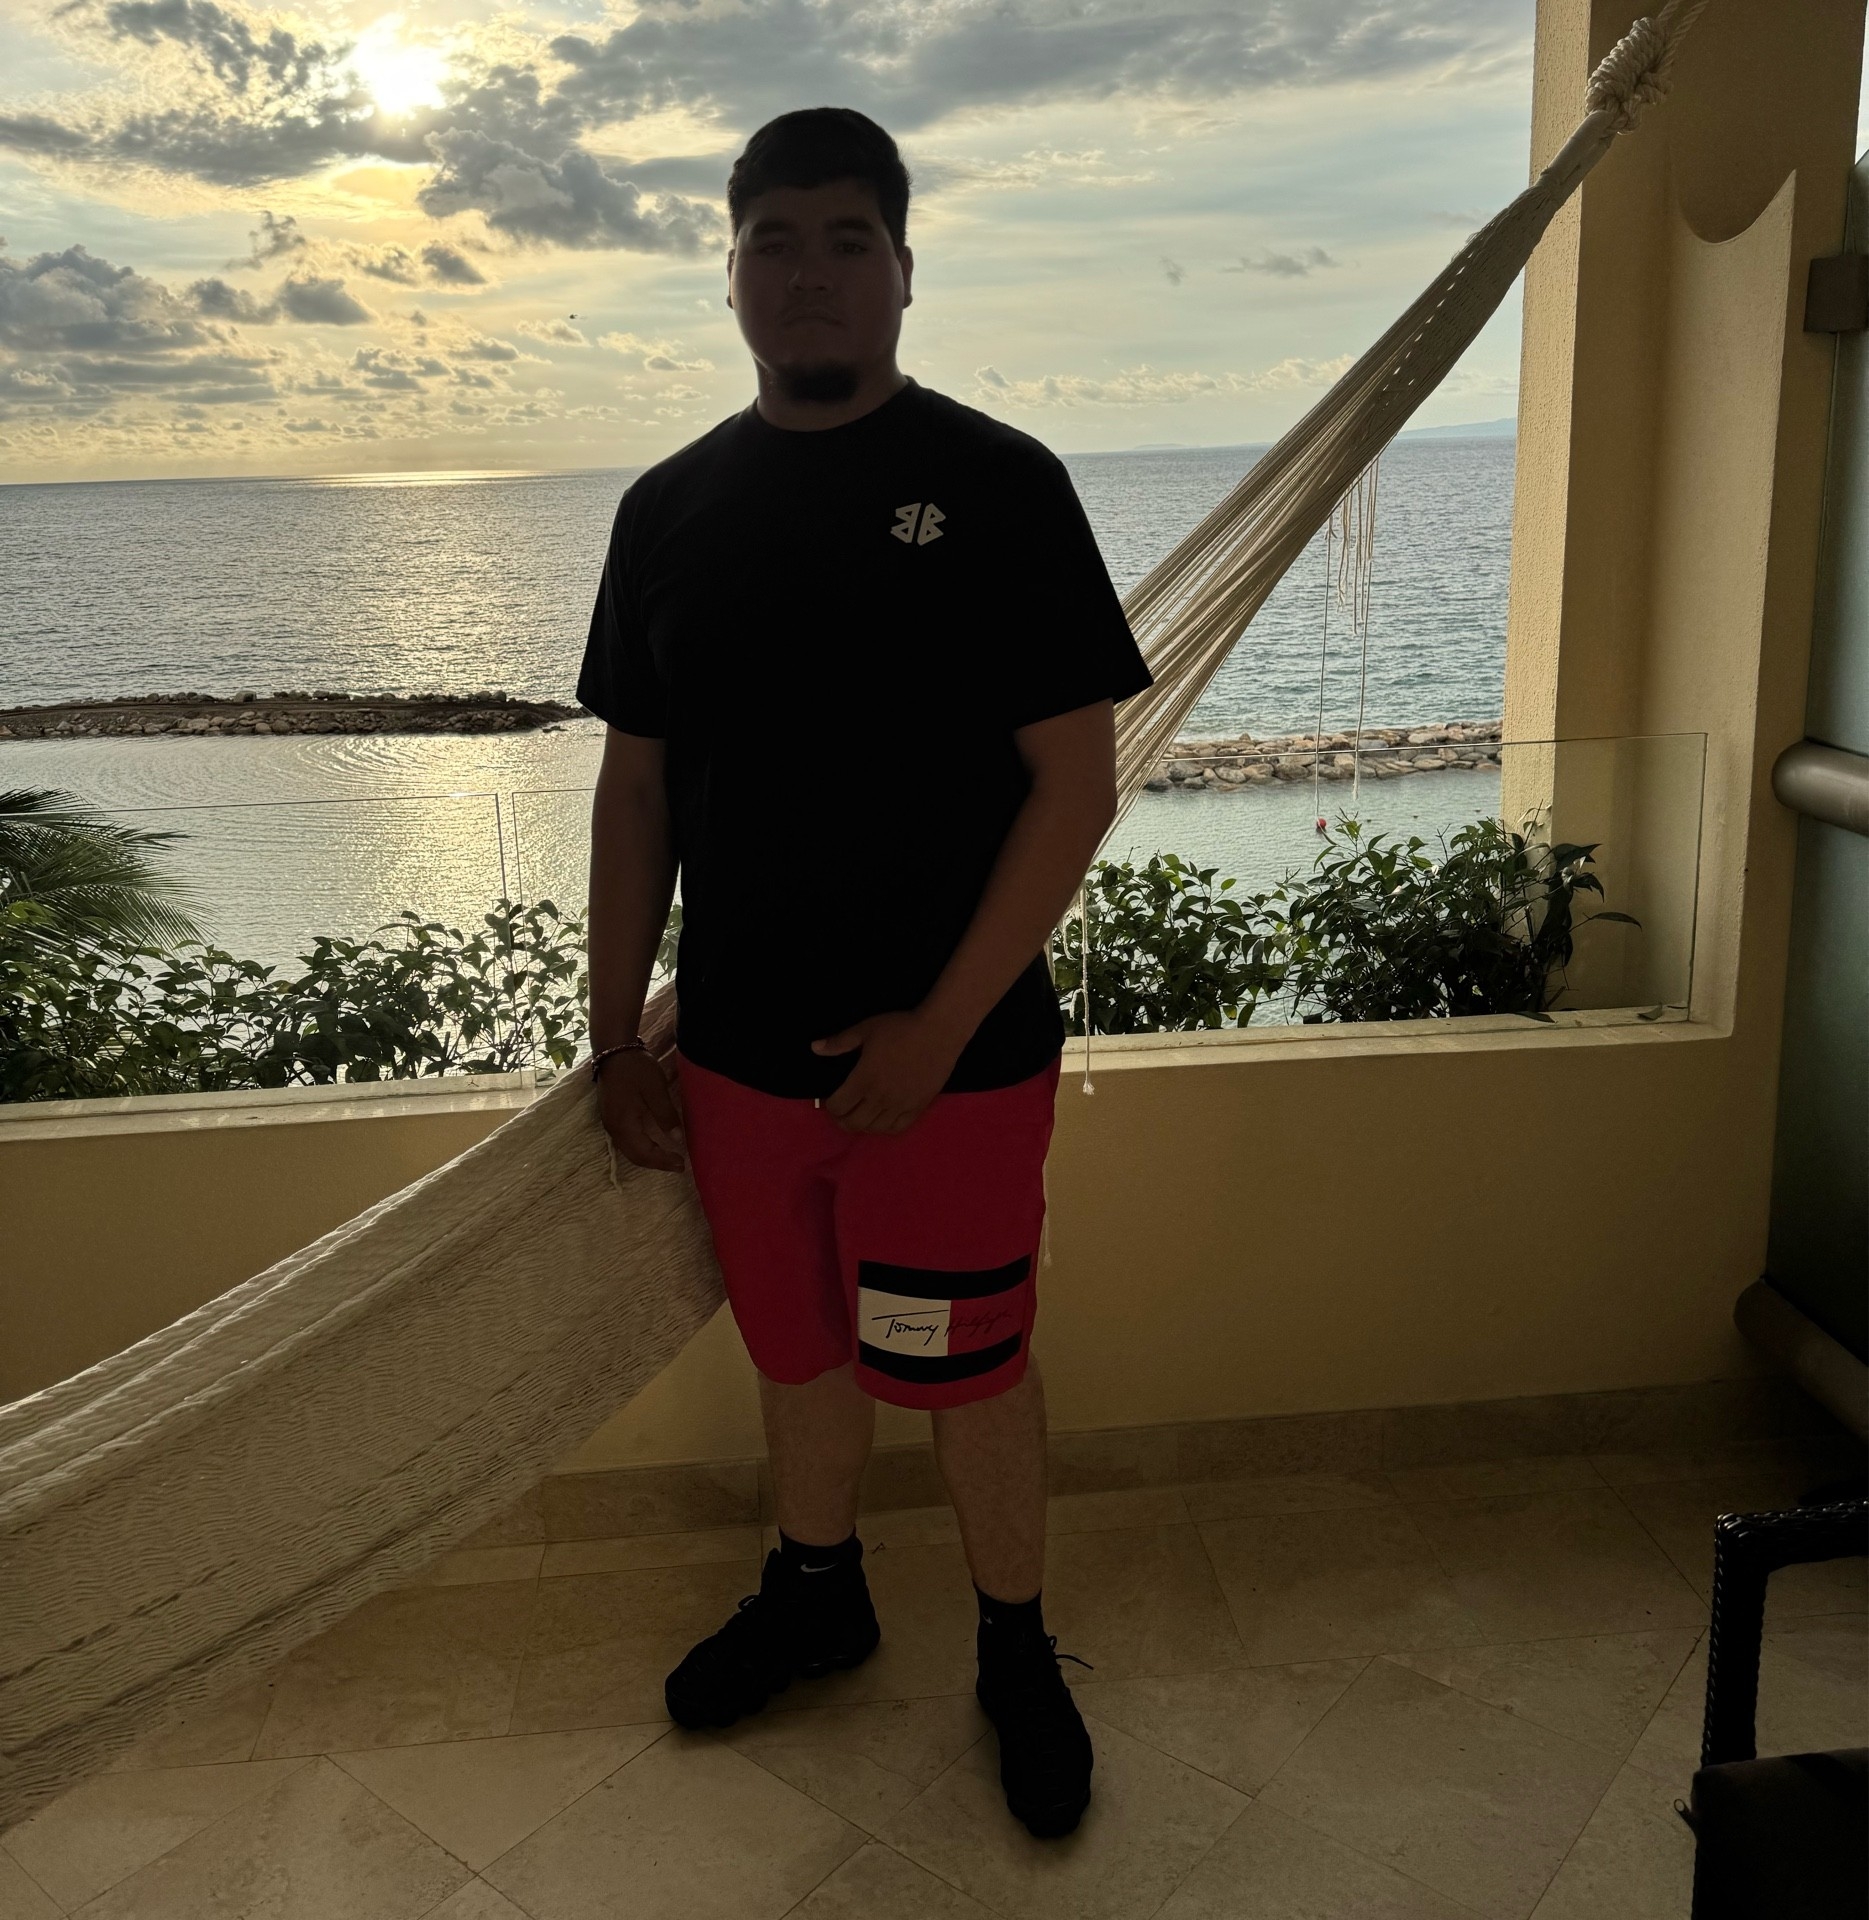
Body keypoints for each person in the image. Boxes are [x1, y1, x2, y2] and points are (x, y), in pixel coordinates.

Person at [577, 105, 1152, 1839]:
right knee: (802, 1351)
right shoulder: (667, 508)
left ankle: (1013, 1646)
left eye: (846, 240)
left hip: (950, 1076)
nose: (809, 273)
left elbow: (1073, 785)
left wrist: (936, 1031)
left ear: (904, 272)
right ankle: (816, 1594)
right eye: (774, 240)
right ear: (729, 276)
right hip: (739, 1069)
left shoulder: (1002, 487)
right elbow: (635, 792)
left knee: (966, 1367)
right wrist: (613, 1039)